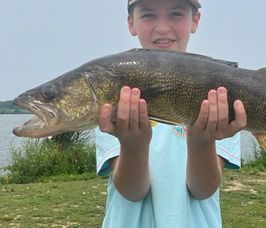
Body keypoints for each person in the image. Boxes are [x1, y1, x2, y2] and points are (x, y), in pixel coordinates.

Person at [95, 0, 247, 227]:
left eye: (176, 14)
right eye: (148, 15)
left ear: (195, 20)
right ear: (131, 22)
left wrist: (201, 141)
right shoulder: (115, 100)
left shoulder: (217, 95)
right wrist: (133, 146)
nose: (163, 27)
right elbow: (133, 191)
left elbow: (202, 189)